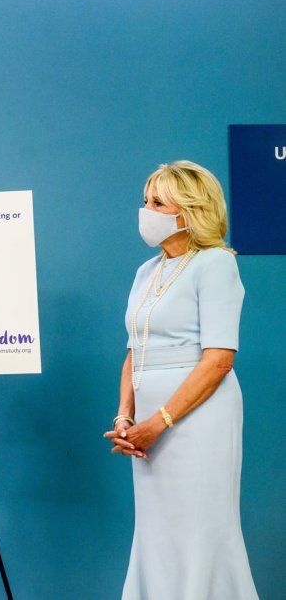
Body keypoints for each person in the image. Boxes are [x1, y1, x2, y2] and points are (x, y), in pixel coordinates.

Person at [105, 160, 258, 599]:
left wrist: (159, 422)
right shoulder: (146, 272)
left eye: (157, 202)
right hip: (147, 429)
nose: (145, 209)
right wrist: (125, 417)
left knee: (201, 532)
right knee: (157, 533)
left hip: (198, 422)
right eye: (145, 200)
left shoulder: (215, 264)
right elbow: (135, 350)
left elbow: (218, 361)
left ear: (189, 211)